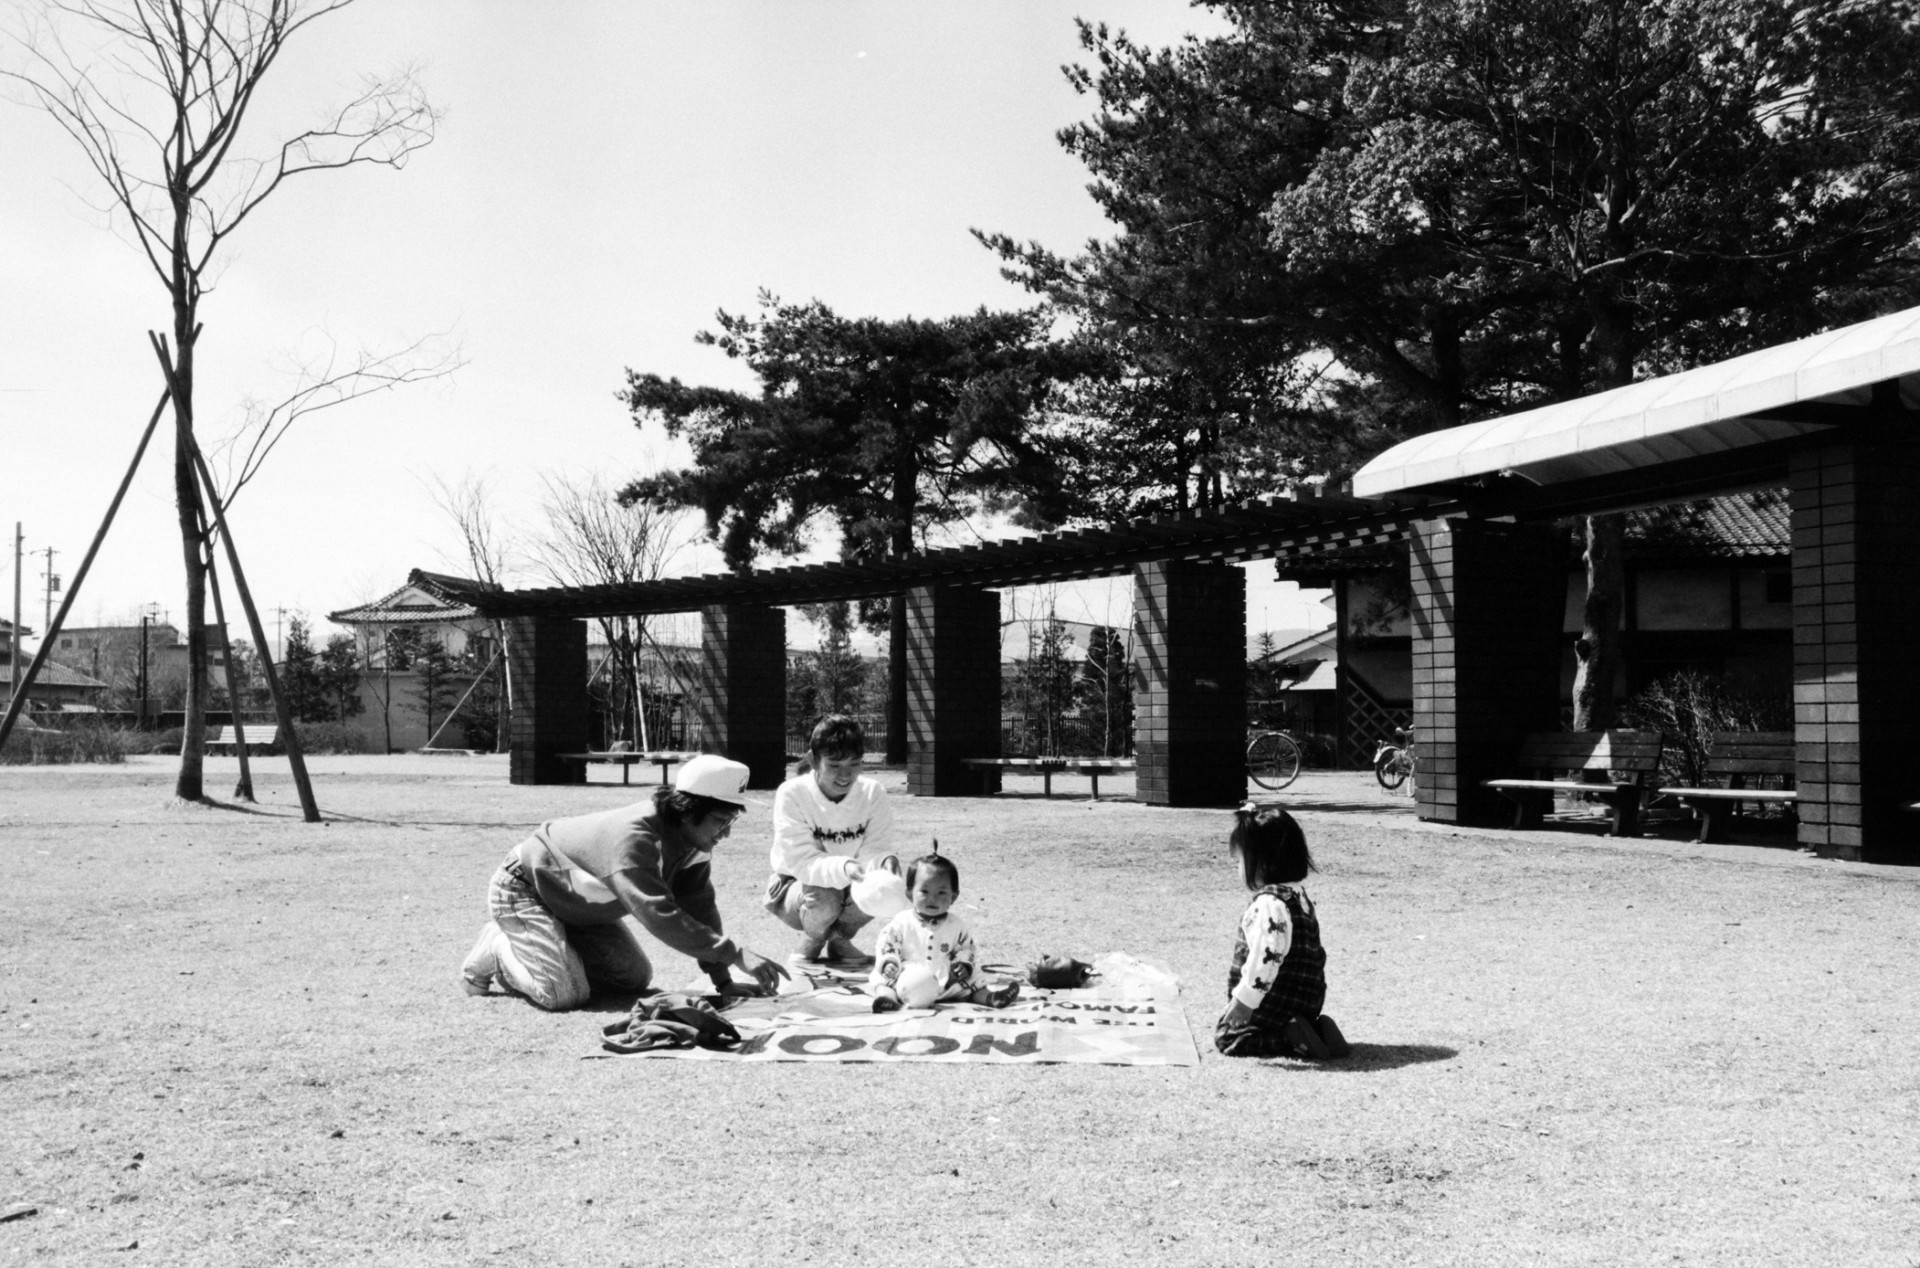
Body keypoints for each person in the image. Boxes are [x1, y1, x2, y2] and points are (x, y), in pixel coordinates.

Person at [460, 754, 790, 1011]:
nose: (727, 832)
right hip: (527, 890)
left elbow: (699, 907)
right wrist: (736, 954)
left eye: (731, 820)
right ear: (689, 810)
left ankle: (550, 947)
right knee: (562, 994)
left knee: (632, 978)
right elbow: (659, 914)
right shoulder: (634, 839)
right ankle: (499, 946)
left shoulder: (693, 842)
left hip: (578, 907)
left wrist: (724, 981)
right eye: (721, 821)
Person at [1214, 803, 1350, 1059]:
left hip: (1275, 1001)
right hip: (1307, 1000)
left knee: (1228, 1037)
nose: (1238, 869)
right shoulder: (1299, 897)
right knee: (1277, 1021)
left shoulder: (1269, 904)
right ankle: (1315, 1029)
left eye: (1239, 861)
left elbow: (1266, 957)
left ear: (1261, 863)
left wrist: (1246, 1000)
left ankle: (1290, 1039)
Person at [764, 714, 898, 964]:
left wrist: (883, 862)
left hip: (849, 879)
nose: (845, 775)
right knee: (825, 896)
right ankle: (813, 939)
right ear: (814, 760)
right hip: (795, 885)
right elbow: (801, 861)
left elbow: (875, 846)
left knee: (883, 888)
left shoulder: (872, 792)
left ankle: (839, 940)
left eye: (854, 764)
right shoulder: (792, 793)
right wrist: (845, 866)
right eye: (835, 766)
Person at [868, 852, 1019, 1011]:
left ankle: (991, 998)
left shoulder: (956, 925)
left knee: (974, 979)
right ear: (909, 894)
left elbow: (966, 947)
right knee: (881, 980)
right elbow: (887, 943)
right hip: (906, 979)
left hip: (946, 981)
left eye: (941, 893)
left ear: (954, 896)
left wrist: (963, 964)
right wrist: (890, 962)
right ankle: (886, 1000)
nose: (932, 898)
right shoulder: (901, 921)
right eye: (924, 891)